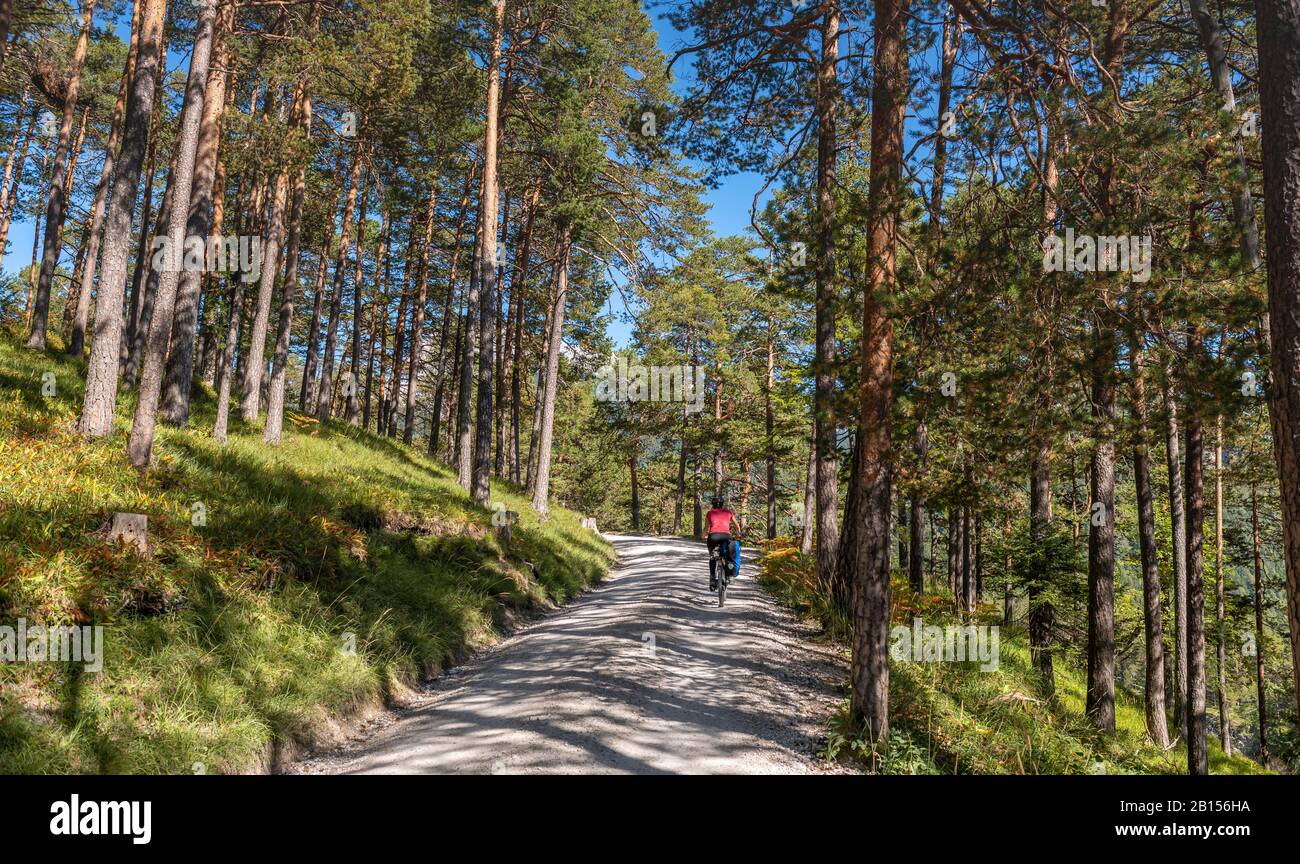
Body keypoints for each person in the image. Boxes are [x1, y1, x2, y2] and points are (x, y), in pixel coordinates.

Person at [703, 496, 740, 590]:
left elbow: (706, 527)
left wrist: (703, 536)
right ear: (722, 504)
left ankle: (712, 578)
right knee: (727, 554)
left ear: (713, 504)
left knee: (712, 557)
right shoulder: (728, 512)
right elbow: (737, 527)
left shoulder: (710, 513)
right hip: (726, 536)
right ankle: (728, 575)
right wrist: (737, 536)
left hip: (713, 537)